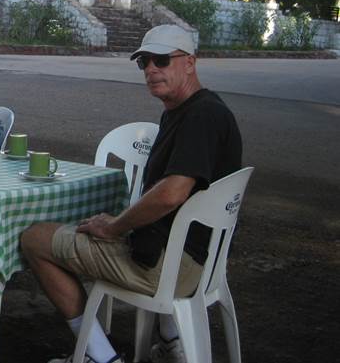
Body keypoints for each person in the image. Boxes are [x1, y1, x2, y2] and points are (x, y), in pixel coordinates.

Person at [20, 25, 242, 363]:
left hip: (170, 266)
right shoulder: (190, 110)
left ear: (190, 63)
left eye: (162, 60)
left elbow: (171, 194)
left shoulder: (202, 116)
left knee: (35, 238)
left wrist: (113, 228)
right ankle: (170, 341)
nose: (152, 69)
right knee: (88, 226)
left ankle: (101, 357)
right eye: (145, 63)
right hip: (192, 257)